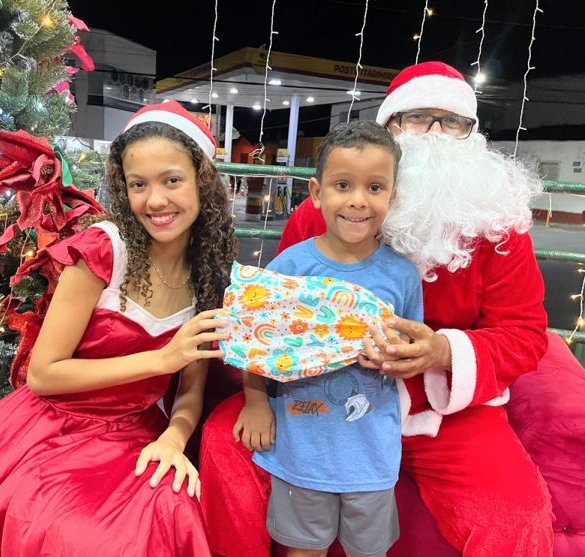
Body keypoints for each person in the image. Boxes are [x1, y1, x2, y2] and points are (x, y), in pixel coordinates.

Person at [199, 61, 554, 557]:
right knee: (224, 444)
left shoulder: (496, 225)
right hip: (320, 398)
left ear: (471, 135)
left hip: (442, 412)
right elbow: (275, 318)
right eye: (416, 118)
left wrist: (442, 351)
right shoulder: (322, 215)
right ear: (388, 127)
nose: (433, 132)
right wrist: (261, 394)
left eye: (451, 121)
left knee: (516, 513)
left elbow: (524, 334)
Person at [0, 100, 236, 555]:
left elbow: (191, 386)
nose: (156, 201)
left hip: (134, 432)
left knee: (171, 511)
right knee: (73, 532)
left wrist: (174, 438)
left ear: (202, 183)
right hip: (53, 428)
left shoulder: (207, 271)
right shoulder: (103, 253)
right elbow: (44, 375)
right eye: (138, 184)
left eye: (173, 180)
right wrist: (160, 359)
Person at [235, 121, 422, 557]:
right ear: (317, 193)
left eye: (375, 188)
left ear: (391, 198)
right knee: (303, 550)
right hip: (302, 448)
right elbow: (255, 343)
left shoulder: (403, 275)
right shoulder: (288, 267)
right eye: (343, 185)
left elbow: (411, 349)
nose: (358, 200)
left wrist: (397, 357)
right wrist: (256, 400)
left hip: (372, 452)